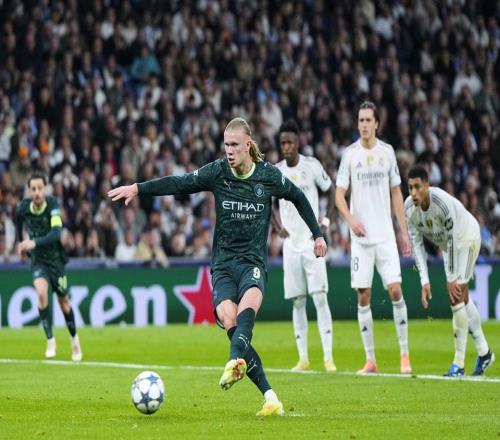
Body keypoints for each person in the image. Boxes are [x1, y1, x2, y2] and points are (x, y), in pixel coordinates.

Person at [108, 117, 327, 416]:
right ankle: (270, 396)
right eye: (226, 145)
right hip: (223, 264)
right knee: (229, 320)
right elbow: (180, 182)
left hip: (252, 263)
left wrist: (317, 234)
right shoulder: (218, 172)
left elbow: (298, 197)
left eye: (234, 145)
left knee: (245, 318)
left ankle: (233, 362)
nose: (229, 150)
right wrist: (138, 188)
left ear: (247, 145)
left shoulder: (268, 175)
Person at [335, 101, 412, 374]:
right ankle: (370, 361)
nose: (364, 124)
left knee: (395, 291)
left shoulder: (387, 153)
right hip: (361, 240)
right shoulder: (350, 154)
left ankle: (405, 356)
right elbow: (339, 195)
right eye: (361, 120)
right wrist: (351, 220)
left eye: (369, 120)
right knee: (363, 296)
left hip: (385, 236)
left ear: (377, 123)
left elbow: (396, 193)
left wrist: (403, 232)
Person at [405, 165, 495, 376]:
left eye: (417, 187)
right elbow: (417, 245)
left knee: (455, 296)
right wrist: (424, 280)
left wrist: (452, 278)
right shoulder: (409, 209)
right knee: (462, 298)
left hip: (467, 238)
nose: (414, 193)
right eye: (410, 188)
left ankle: (459, 364)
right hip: (449, 247)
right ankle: (484, 352)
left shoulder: (442, 204)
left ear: (427, 186)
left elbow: (454, 239)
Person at [273, 119, 336, 372]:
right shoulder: (276, 171)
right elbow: (266, 200)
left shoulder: (312, 166)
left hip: (312, 242)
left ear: (298, 143)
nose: (286, 147)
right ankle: (303, 358)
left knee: (320, 297)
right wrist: (276, 225)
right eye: (283, 143)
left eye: (290, 142)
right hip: (290, 245)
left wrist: (326, 222)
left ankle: (328, 358)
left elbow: (331, 189)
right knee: (298, 301)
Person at [16, 172, 82, 361]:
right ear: (29, 191)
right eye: (33, 189)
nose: (37, 192)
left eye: (40, 188)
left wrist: (33, 242)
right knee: (41, 293)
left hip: (56, 260)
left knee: (64, 303)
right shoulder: (23, 208)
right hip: (38, 260)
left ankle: (74, 339)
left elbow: (56, 233)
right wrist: (21, 244)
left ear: (45, 189)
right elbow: (19, 224)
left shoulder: (52, 206)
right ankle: (50, 340)